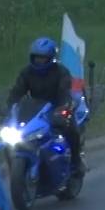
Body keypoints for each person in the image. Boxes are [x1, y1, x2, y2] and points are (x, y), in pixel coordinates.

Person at [5, 37, 85, 175]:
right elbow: (16, 92)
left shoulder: (61, 72)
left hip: (56, 107)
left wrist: (63, 108)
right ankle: (14, 168)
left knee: (71, 129)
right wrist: (9, 109)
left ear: (51, 58)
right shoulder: (27, 72)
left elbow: (64, 92)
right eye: (36, 57)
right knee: (9, 139)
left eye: (43, 58)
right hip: (34, 110)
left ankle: (76, 161)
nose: (39, 61)